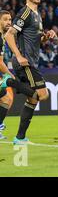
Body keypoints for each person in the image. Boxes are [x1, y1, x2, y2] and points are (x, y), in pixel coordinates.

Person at [4, 0, 57, 144]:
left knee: (33, 99)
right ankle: (10, 82)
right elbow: (9, 35)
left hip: (32, 60)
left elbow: (35, 39)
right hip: (25, 62)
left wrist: (46, 37)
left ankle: (20, 137)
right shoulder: (25, 13)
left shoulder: (36, 15)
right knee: (43, 94)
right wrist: (19, 56)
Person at [0, 11, 15, 139]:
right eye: (5, 19)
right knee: (6, 99)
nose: (8, 22)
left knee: (6, 99)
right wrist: (10, 75)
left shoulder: (3, 36)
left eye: (10, 19)